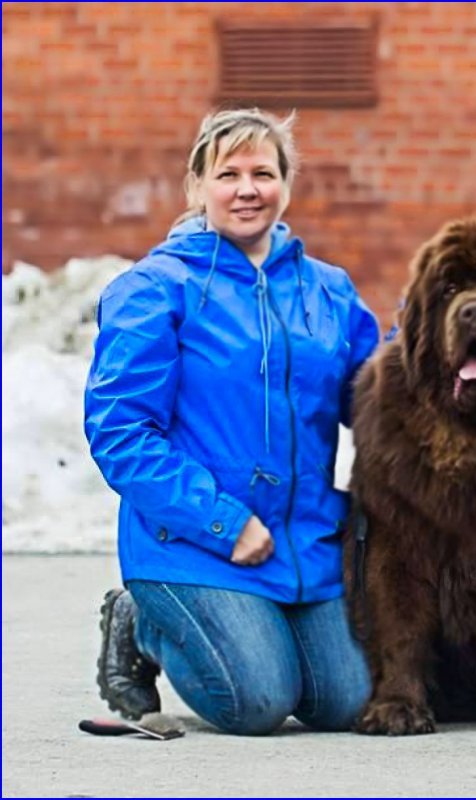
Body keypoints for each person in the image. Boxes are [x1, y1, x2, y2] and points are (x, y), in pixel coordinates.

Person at [84, 108, 380, 735]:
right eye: (228, 173)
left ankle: (262, 628)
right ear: (198, 186)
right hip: (194, 543)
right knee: (257, 702)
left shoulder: (327, 292)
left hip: (303, 543)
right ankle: (140, 619)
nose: (248, 189)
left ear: (286, 184)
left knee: (350, 702)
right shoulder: (156, 288)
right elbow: (122, 433)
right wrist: (223, 521)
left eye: (264, 173)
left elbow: (381, 397)